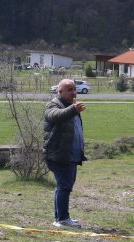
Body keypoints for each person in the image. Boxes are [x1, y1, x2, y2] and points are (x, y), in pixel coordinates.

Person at [43, 79, 87, 228]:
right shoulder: (53, 104)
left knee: (65, 186)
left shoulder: (71, 106)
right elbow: (55, 115)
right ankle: (62, 219)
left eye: (74, 89)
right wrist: (73, 110)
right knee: (64, 186)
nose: (74, 92)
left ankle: (61, 217)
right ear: (60, 92)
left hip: (70, 155)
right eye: (69, 89)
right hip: (58, 155)